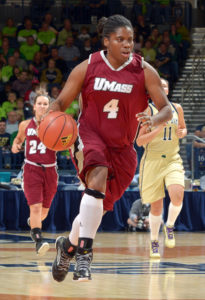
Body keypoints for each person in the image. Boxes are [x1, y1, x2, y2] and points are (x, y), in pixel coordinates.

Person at [47, 15, 172, 282]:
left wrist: (154, 119)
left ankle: (67, 246)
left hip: (123, 148)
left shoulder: (144, 71)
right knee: (98, 173)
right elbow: (60, 102)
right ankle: (84, 255)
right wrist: (47, 120)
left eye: (131, 40)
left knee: (95, 210)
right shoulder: (88, 67)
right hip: (89, 135)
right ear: (107, 41)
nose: (128, 44)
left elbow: (167, 109)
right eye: (120, 39)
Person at [137, 78, 187, 259]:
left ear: (167, 90)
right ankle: (154, 241)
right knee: (156, 207)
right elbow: (140, 141)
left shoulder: (177, 108)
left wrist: (183, 132)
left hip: (173, 159)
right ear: (152, 90)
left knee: (178, 195)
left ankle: (170, 225)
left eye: (165, 85)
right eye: (159, 85)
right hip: (152, 161)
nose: (163, 87)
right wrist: (158, 129)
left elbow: (183, 128)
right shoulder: (147, 111)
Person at [11, 91, 58, 256]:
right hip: (32, 169)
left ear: (49, 107)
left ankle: (34, 224)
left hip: (51, 169)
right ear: (34, 106)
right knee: (36, 207)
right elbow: (18, 139)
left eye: (45, 104)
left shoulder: (55, 124)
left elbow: (64, 144)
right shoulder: (25, 124)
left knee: (44, 211)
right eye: (40, 103)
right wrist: (16, 145)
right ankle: (38, 240)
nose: (42, 106)